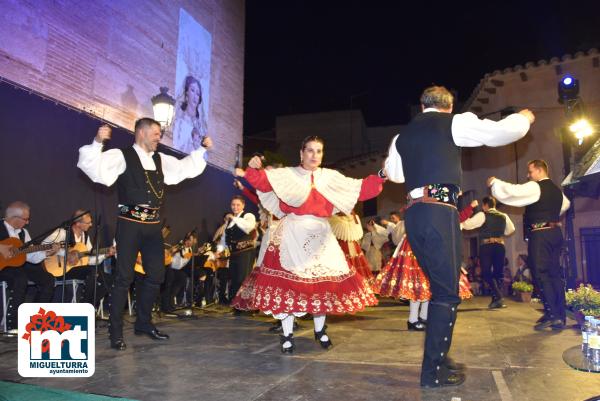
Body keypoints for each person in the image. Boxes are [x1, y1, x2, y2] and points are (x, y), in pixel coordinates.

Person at [384, 85, 534, 387]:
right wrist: (523, 119)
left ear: (422, 105)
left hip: (414, 214)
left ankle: (440, 358)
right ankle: (433, 371)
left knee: (441, 289)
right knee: (447, 292)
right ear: (448, 106)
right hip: (439, 211)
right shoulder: (453, 122)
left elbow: (394, 174)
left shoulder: (402, 136)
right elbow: (497, 133)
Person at [231, 135, 383, 353]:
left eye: (319, 151)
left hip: (321, 235)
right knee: (288, 287)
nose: (314, 155)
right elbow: (261, 181)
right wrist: (254, 167)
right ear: (301, 154)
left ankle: (320, 330)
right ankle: (287, 334)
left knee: (321, 286)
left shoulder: (330, 177)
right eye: (310, 150)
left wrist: (381, 174)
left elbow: (362, 189)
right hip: (292, 232)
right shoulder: (287, 175)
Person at [77, 119, 213, 350]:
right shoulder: (122, 155)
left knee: (157, 274)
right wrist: (98, 142)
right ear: (141, 132)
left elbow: (184, 168)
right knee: (123, 278)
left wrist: (201, 149)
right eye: (156, 133)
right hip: (129, 224)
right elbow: (95, 168)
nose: (159, 138)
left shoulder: (161, 160)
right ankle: (116, 331)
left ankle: (143, 323)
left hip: (152, 226)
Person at [489, 159, 570, 330]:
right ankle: (559, 314)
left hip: (540, 234)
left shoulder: (536, 186)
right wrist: (550, 217)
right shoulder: (557, 191)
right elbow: (565, 205)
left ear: (540, 171)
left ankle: (552, 314)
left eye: (530, 172)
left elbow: (515, 192)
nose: (528, 175)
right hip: (555, 234)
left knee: (541, 273)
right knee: (554, 273)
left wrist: (495, 183)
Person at [375, 201, 477, 331]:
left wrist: (469, 208)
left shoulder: (432, 204)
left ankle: (423, 317)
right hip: (418, 245)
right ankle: (412, 320)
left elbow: (453, 218)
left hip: (428, 243)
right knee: (418, 282)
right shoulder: (422, 204)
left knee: (427, 284)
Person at [0, 201, 59, 332]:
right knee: (19, 279)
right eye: (25, 219)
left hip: (20, 265)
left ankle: (36, 320)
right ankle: (13, 325)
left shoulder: (23, 233)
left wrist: (48, 251)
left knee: (48, 279)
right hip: (3, 268)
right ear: (14, 218)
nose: (27, 222)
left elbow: (31, 256)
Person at [43, 210, 115, 305]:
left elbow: (89, 260)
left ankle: (88, 305)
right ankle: (85, 305)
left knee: (108, 279)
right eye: (88, 223)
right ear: (77, 223)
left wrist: (105, 255)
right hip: (60, 269)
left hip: (77, 270)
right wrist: (66, 254)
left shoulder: (85, 237)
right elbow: (44, 246)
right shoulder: (62, 233)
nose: (91, 225)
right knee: (92, 271)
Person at [461, 196, 515, 308]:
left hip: (487, 246)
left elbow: (468, 224)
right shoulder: (503, 216)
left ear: (485, 205)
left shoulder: (483, 214)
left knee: (486, 273)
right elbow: (511, 229)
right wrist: (499, 232)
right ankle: (497, 300)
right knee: (498, 274)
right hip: (500, 246)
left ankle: (498, 297)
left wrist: (462, 221)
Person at [219, 195, 257, 306]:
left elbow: (248, 227)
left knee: (243, 278)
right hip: (234, 253)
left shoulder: (248, 216)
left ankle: (246, 305)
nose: (235, 207)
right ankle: (236, 305)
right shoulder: (229, 222)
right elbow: (224, 238)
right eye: (233, 205)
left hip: (245, 252)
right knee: (234, 279)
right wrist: (219, 250)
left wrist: (233, 217)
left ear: (243, 205)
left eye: (238, 205)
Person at [329, 212, 376, 291]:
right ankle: (353, 286)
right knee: (349, 263)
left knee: (351, 263)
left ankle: (355, 286)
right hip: (346, 244)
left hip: (345, 244)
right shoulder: (353, 217)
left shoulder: (340, 218)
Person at [170, 75, 208, 154]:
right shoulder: (179, 120)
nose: (195, 96)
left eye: (198, 93)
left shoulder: (200, 125)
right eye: (192, 90)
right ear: (187, 92)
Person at [161, 233, 196, 312]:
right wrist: (173, 251)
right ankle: (165, 306)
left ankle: (171, 301)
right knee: (169, 282)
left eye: (192, 240)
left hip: (178, 270)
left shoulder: (190, 250)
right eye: (189, 240)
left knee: (182, 278)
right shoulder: (179, 246)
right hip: (169, 268)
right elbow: (170, 253)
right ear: (186, 240)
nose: (191, 242)